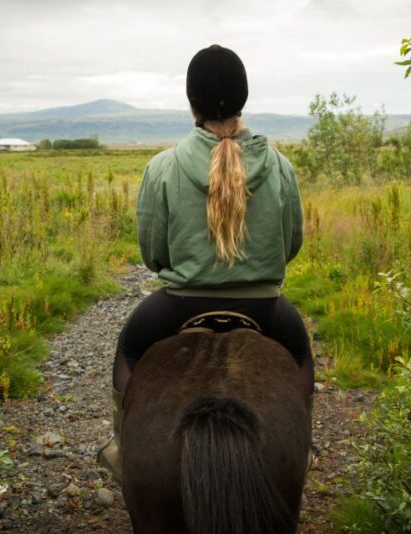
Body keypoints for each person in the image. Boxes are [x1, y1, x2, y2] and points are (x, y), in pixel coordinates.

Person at [97, 44, 314, 482]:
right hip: (265, 310)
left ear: (192, 102)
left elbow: (153, 253)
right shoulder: (281, 167)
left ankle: (123, 448)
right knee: (303, 354)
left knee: (129, 346)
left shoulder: (162, 167)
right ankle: (301, 450)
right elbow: (291, 245)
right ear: (243, 99)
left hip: (177, 305)